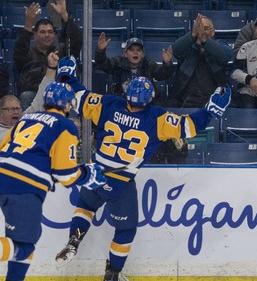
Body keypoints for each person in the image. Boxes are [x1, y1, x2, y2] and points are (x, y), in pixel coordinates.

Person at [53, 56, 231, 281]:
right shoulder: (156, 118)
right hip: (120, 181)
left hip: (95, 172)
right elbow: (188, 127)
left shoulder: (110, 104)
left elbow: (78, 96)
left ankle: (74, 240)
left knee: (86, 206)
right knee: (125, 230)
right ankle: (112, 275)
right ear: (149, 99)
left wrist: (66, 74)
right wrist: (210, 111)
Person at [0, 78, 108, 280]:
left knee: (26, 242)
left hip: (1, 181)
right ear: (67, 104)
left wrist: (41, 171)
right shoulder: (65, 125)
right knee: (24, 245)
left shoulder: (25, 119)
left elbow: (3, 150)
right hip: (23, 189)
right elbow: (65, 175)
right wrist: (87, 174)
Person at [13, 0, 82, 107]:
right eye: (42, 32)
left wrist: (65, 15)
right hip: (33, 96)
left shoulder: (61, 52)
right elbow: (19, 49)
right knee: (26, 96)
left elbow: (76, 41)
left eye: (50, 32)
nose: (47, 35)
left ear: (55, 35)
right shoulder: (27, 54)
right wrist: (28, 24)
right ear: (35, 35)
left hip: (58, 94)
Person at [168, 13, 233, 108]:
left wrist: (205, 40)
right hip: (186, 99)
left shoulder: (219, 44)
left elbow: (225, 55)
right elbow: (176, 50)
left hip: (213, 100)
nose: (201, 32)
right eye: (198, 28)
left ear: (212, 32)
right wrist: (192, 35)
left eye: (205, 29)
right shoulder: (188, 47)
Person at [95, 33, 175, 103]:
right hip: (122, 105)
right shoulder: (118, 63)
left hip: (145, 105)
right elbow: (104, 64)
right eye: (131, 50)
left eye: (138, 50)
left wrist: (167, 64)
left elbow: (162, 74)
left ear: (142, 54)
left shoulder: (148, 64)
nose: (135, 52)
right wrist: (100, 52)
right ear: (125, 54)